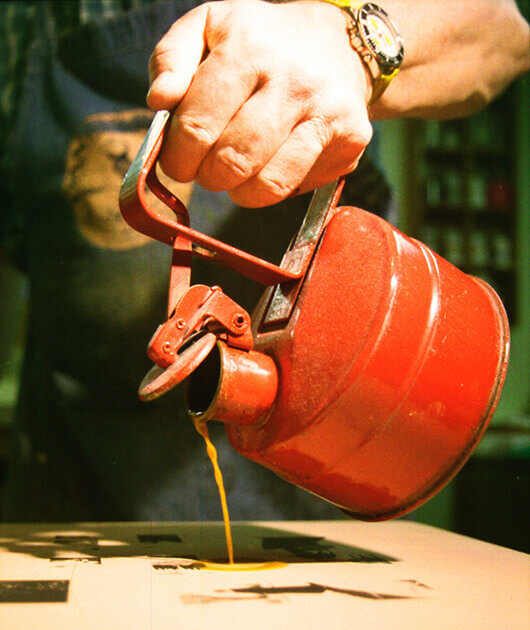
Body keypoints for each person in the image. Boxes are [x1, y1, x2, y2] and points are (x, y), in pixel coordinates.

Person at [0, 0, 528, 523]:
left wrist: (351, 46)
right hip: (76, 496)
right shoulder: (22, 23)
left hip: (315, 484)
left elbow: (505, 34)